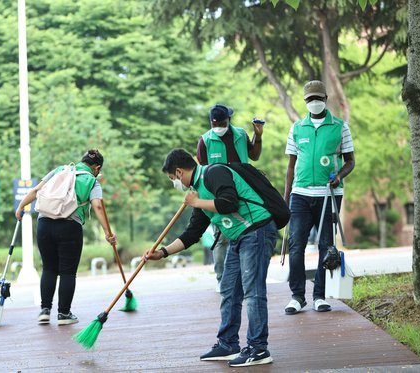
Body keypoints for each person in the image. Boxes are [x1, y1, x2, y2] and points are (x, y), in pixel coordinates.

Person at [146, 149, 277, 367]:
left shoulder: (213, 173)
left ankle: (258, 348)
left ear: (179, 172)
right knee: (228, 290)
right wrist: (162, 252)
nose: (174, 184)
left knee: (252, 291)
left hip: (257, 231)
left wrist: (196, 203)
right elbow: (192, 233)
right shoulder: (198, 191)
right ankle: (227, 344)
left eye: (172, 179)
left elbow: (229, 203)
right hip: (239, 237)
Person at [15, 149, 116, 325]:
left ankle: (44, 311)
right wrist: (108, 233)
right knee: (68, 272)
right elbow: (98, 206)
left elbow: (36, 190)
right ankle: (64, 314)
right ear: (97, 167)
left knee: (48, 269)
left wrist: (21, 207)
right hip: (70, 226)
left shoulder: (60, 170)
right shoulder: (92, 181)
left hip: (44, 224)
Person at [283, 80, 355, 315]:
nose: (314, 102)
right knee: (296, 245)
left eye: (318, 98)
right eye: (310, 99)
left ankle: (320, 296)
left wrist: (339, 177)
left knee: (326, 245)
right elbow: (291, 166)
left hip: (329, 193)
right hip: (300, 194)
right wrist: (286, 199)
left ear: (325, 99)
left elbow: (350, 161)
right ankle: (297, 296)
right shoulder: (297, 128)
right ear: (305, 101)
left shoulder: (340, 127)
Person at [197, 104, 265, 292]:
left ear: (229, 121)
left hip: (245, 193)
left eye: (222, 122)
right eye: (215, 123)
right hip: (220, 198)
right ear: (211, 122)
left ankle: (248, 279)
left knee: (249, 235)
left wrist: (258, 136)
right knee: (222, 239)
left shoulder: (241, 135)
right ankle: (222, 280)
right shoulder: (205, 141)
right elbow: (202, 173)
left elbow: (255, 156)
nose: (218, 126)